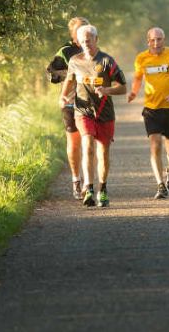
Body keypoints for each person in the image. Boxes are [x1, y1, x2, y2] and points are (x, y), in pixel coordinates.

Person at [60, 25, 127, 207]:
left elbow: (123, 87)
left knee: (103, 153)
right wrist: (63, 96)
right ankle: (89, 188)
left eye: (89, 41)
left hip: (105, 113)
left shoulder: (107, 61)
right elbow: (69, 80)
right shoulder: (74, 61)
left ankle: (102, 189)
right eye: (82, 41)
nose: (86, 44)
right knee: (87, 144)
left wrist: (107, 90)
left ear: (96, 40)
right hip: (83, 111)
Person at [127, 27, 169, 199]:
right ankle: (160, 185)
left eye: (159, 39)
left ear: (164, 40)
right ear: (148, 41)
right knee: (155, 145)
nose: (156, 43)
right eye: (153, 40)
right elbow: (138, 78)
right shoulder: (141, 58)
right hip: (152, 110)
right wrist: (133, 92)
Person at [46, 17, 89, 199]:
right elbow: (51, 73)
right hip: (71, 102)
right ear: (72, 33)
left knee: (89, 142)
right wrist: (71, 75)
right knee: (75, 142)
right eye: (79, 29)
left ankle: (89, 182)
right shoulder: (65, 51)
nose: (82, 32)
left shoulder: (92, 48)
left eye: (85, 28)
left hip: (90, 102)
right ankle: (76, 180)